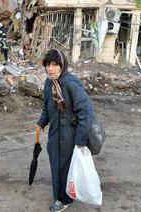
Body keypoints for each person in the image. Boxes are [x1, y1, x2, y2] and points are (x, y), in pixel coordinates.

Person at [36, 49, 93, 212]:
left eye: (54, 64)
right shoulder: (49, 83)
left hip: (70, 134)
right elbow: (47, 107)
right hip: (55, 134)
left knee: (66, 168)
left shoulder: (70, 83)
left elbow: (86, 112)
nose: (50, 68)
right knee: (56, 165)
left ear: (62, 66)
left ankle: (64, 199)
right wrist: (41, 122)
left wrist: (80, 140)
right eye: (47, 65)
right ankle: (59, 195)